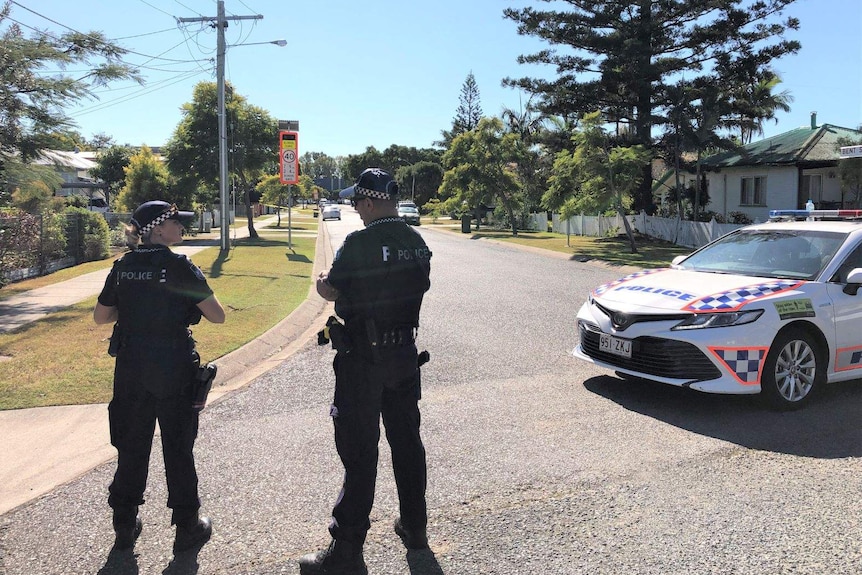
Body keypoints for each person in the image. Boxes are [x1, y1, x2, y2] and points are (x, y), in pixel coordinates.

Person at [300, 168, 433, 575]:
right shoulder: (416, 241)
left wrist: (323, 281)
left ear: (371, 202)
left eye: (358, 203)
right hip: (403, 355)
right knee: (407, 443)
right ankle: (415, 528)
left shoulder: (358, 243)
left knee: (360, 452)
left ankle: (347, 552)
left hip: (362, 359)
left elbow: (332, 289)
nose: (356, 210)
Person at [93, 200, 226, 554]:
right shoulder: (179, 266)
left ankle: (124, 523)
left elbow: (101, 317)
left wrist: (137, 307)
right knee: (178, 448)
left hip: (131, 368)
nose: (182, 228)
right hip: (172, 367)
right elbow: (217, 316)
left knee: (131, 444)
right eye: (176, 223)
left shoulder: (122, 267)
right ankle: (187, 528)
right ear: (156, 228)